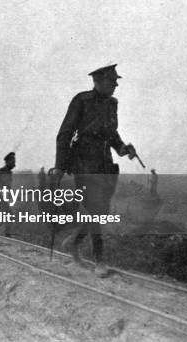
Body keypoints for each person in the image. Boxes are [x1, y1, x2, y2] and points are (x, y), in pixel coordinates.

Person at [54, 64, 137, 278]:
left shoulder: (112, 104)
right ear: (98, 82)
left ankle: (73, 242)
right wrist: (60, 166)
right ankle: (100, 260)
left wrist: (123, 149)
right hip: (84, 163)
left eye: (116, 81)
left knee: (100, 212)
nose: (116, 85)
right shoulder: (81, 100)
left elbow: (111, 133)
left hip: (105, 164)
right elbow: (65, 133)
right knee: (96, 210)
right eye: (112, 82)